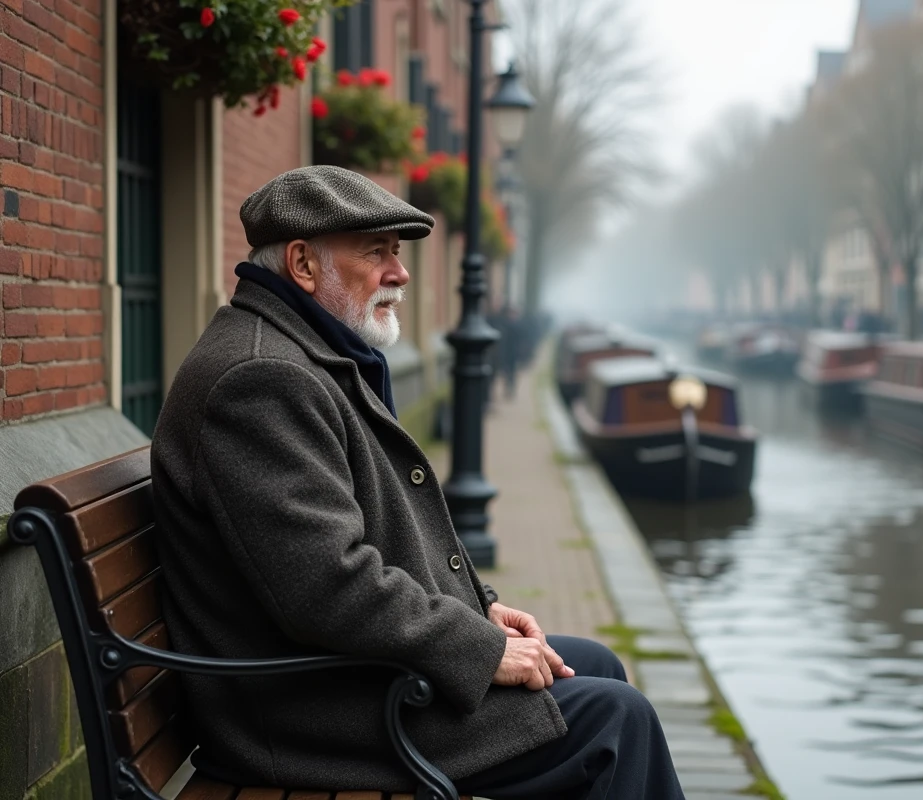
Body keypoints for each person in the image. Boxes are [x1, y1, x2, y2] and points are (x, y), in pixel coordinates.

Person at [150, 166, 683, 799]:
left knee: (595, 667)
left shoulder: (305, 354)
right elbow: (326, 584)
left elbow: (370, 536)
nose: (399, 274)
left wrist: (479, 607)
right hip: (305, 712)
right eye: (376, 252)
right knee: (618, 721)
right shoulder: (262, 379)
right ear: (302, 263)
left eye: (395, 253)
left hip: (346, 676)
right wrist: (478, 649)